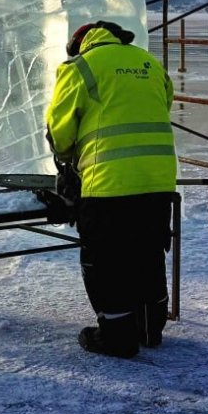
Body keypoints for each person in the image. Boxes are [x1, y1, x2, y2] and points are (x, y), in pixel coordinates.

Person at [45, 21, 177, 358]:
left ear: (80, 44)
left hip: (108, 186)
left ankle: (118, 338)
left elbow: (60, 130)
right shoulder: (148, 63)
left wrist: (67, 164)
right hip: (158, 181)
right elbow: (161, 106)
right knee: (147, 253)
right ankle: (150, 328)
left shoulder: (80, 67)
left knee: (105, 261)